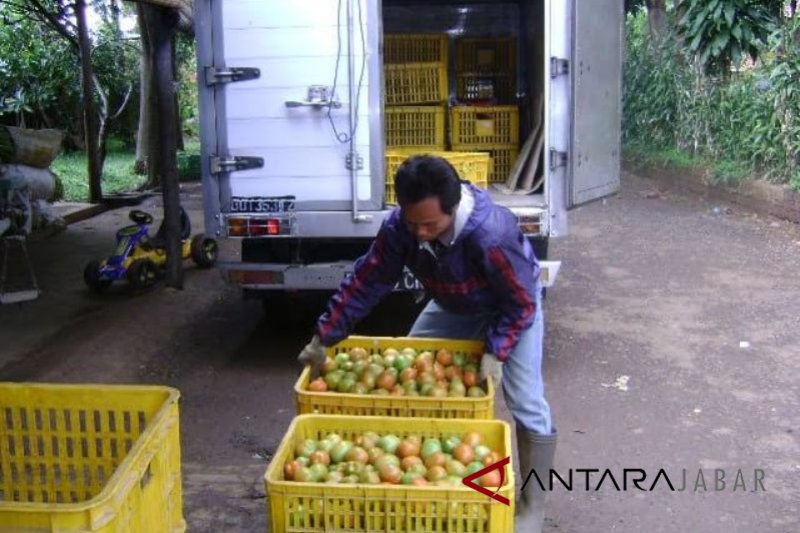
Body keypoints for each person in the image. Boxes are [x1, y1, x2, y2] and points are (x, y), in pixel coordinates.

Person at [298, 155, 556, 532]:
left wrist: (496, 350)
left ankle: (534, 503)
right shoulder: (403, 227)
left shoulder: (492, 236)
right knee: (414, 363)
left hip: (510, 304)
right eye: (413, 222)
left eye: (430, 225)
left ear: (453, 208)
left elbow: (521, 303)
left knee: (526, 399)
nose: (419, 233)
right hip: (456, 301)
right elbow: (369, 279)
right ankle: (426, 471)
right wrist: (326, 333)